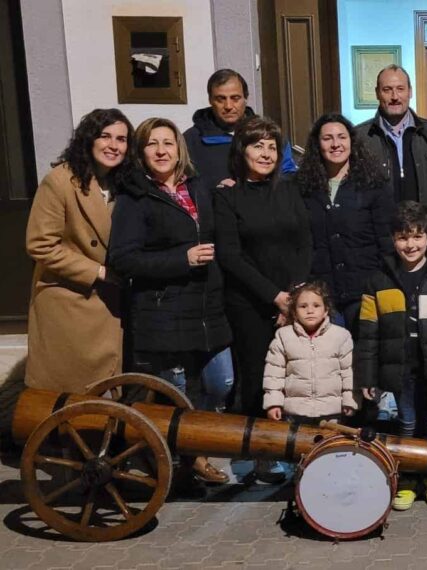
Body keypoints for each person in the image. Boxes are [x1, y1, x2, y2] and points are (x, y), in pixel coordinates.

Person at [109, 117, 234, 485]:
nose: (162, 151)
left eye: (168, 142)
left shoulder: (198, 186)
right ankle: (186, 462)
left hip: (207, 306)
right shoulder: (135, 197)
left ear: (180, 148)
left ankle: (193, 449)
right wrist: (183, 258)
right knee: (178, 394)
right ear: (141, 151)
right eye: (152, 144)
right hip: (164, 310)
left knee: (221, 381)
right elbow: (123, 259)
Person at [356, 201, 427, 511]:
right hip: (400, 369)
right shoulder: (377, 280)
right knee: (406, 421)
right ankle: (407, 479)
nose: (411, 245)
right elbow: (368, 335)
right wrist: (367, 377)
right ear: (393, 239)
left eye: (418, 237)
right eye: (403, 237)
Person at [214, 116, 312, 482]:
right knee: (258, 379)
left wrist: (296, 297)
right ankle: (262, 455)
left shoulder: (291, 189)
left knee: (297, 379)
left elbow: (305, 242)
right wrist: (275, 298)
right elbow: (231, 255)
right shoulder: (226, 195)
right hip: (251, 305)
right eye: (258, 146)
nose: (266, 153)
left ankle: (297, 450)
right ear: (242, 150)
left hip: (296, 302)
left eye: (272, 146)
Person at [25, 108, 133, 393]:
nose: (113, 145)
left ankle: (101, 432)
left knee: (105, 386)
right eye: (105, 136)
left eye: (121, 139)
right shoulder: (60, 181)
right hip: (69, 301)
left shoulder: (123, 182)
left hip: (109, 301)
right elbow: (40, 244)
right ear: (89, 139)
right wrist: (97, 271)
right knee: (68, 392)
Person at [297, 113, 394, 333]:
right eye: (327, 138)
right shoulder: (301, 186)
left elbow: (387, 241)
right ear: (317, 144)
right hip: (320, 295)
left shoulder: (374, 185)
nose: (335, 144)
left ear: (352, 141)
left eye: (341, 137)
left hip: (365, 292)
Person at [356, 64, 427, 247]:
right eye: (387, 90)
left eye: (400, 89)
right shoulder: (360, 138)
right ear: (377, 93)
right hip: (380, 245)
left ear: (410, 92)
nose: (394, 97)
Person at [183, 69, 296, 191]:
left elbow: (289, 176)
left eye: (235, 98)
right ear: (210, 100)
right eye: (220, 99)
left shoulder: (268, 135)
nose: (228, 106)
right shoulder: (191, 140)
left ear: (245, 98)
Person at [263, 281, 356, 426]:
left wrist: (350, 400)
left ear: (326, 310)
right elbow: (274, 373)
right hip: (295, 412)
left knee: (327, 447)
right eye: (303, 306)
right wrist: (273, 403)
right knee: (297, 447)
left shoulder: (341, 336)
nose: (310, 311)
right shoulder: (283, 336)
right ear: (294, 311)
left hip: (331, 412)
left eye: (316, 305)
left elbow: (349, 372)